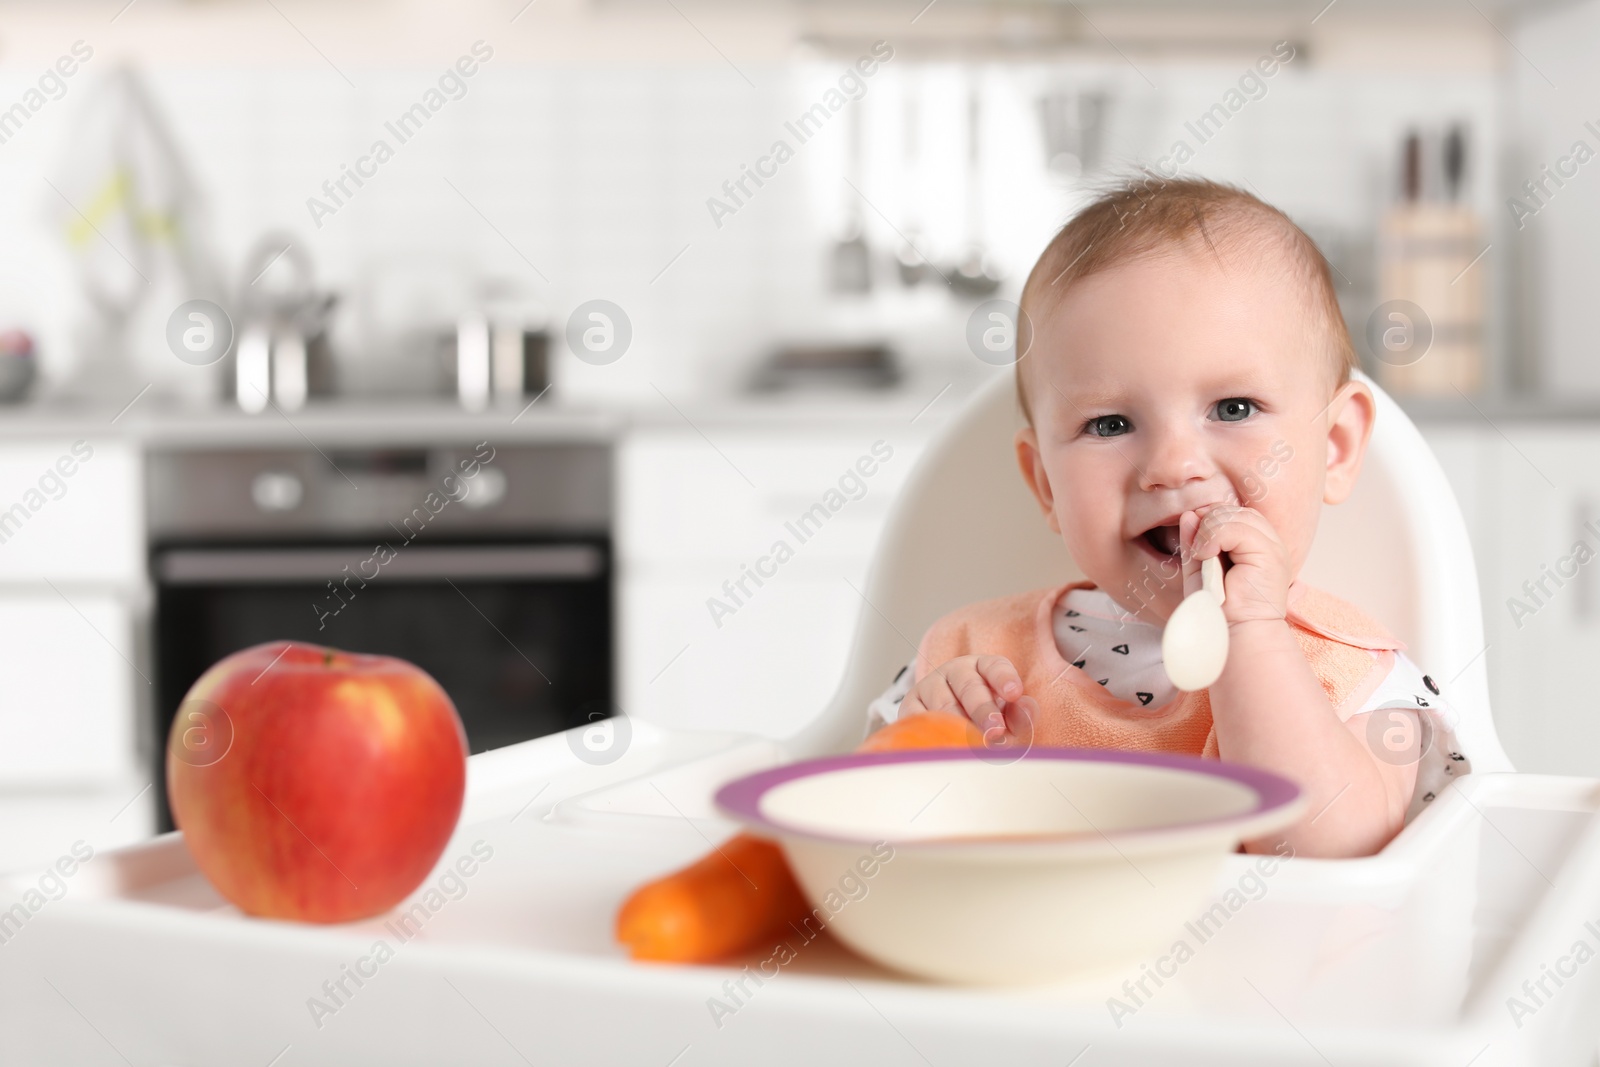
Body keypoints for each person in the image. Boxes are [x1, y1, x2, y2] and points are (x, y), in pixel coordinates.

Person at [867, 177, 1469, 858]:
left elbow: (1331, 854)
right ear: (1046, 485)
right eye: (1111, 422)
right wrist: (920, 751)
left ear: (1334, 448)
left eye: (1233, 408)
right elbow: (854, 840)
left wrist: (1255, 641)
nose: (1173, 465)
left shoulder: (1353, 675)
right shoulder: (972, 658)